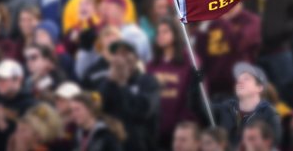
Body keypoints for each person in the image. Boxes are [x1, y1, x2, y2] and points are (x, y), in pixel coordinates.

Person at [97, 40, 160, 151]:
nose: (121, 59)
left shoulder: (147, 81)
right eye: (116, 55)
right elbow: (99, 109)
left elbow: (143, 110)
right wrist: (110, 81)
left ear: (135, 57)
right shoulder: (107, 84)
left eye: (125, 54)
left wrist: (122, 84)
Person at [201, 62, 281, 148]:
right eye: (239, 78)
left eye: (246, 79)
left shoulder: (269, 113)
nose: (239, 81)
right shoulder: (226, 108)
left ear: (259, 87)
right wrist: (196, 84)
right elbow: (200, 108)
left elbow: (273, 142)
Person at [147, 18, 195, 148]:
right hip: (156, 131)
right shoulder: (152, 64)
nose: (160, 36)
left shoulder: (189, 61)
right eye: (158, 32)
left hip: (181, 130)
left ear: (176, 33)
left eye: (165, 31)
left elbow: (193, 97)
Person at [0, 59, 36, 150]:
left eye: (4, 79)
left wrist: (1, 124)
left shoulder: (31, 106)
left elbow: (27, 144)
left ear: (18, 79)